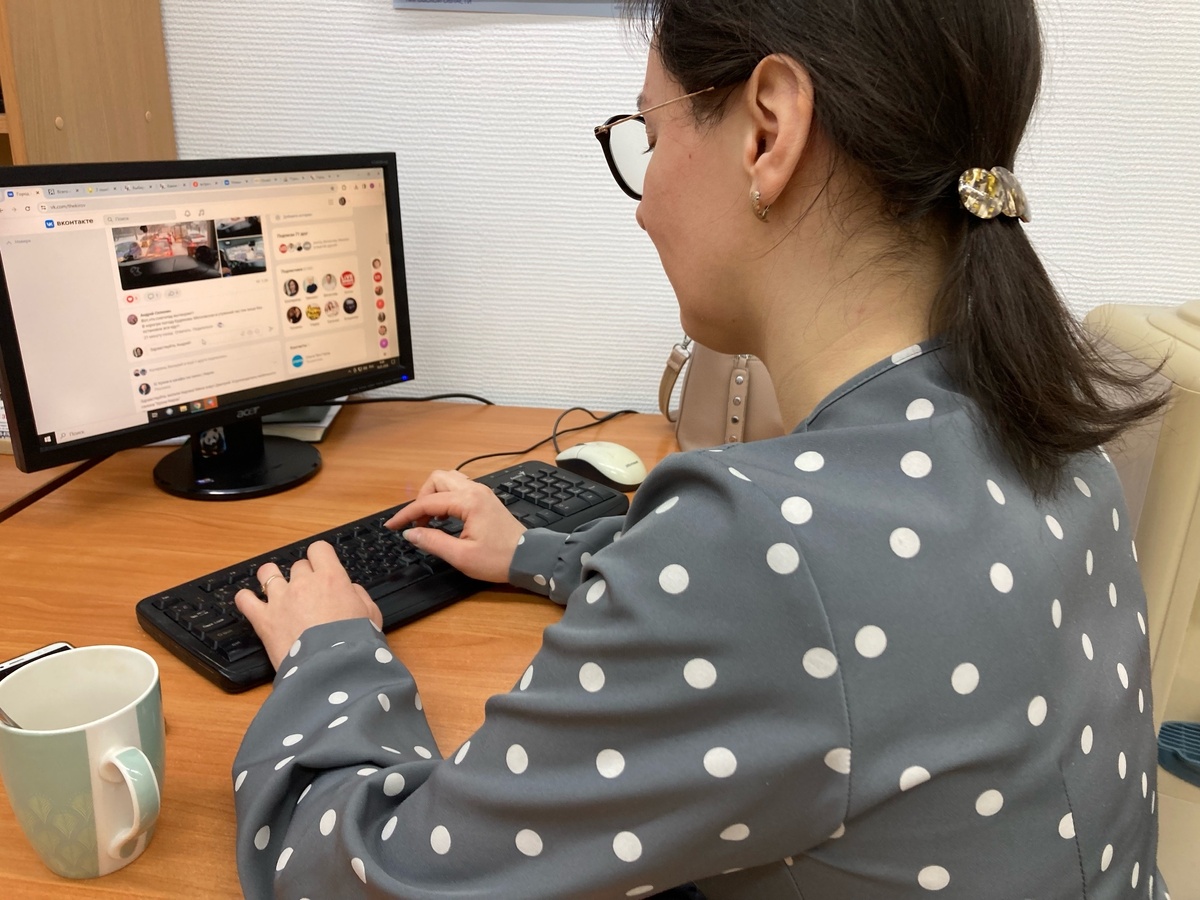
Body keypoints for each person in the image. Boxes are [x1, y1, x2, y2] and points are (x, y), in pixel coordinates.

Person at [231, 1, 1168, 897]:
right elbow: (858, 621)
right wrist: (537, 552)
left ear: (768, 130)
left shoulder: (762, 547)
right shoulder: (1047, 432)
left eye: (648, 133)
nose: (643, 207)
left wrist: (331, 652)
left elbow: (365, 878)